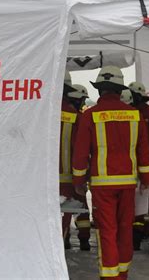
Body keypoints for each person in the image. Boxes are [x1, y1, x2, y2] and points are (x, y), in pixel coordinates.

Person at [72, 66, 149, 279]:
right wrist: (147, 179)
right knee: (125, 228)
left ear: (100, 90)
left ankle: (110, 277)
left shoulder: (90, 115)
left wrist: (78, 180)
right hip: (128, 184)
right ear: (119, 90)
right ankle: (122, 274)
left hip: (102, 185)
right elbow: (144, 150)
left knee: (106, 231)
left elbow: (81, 153)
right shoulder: (135, 115)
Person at [128, 82, 149, 247]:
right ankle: (132, 233)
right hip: (129, 162)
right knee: (131, 199)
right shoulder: (126, 112)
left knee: (144, 199)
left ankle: (142, 233)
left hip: (146, 160)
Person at [60, 72, 90, 251]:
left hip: (41, 176)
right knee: (66, 211)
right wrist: (82, 176)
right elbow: (81, 150)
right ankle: (61, 244)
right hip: (67, 175)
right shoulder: (75, 116)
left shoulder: (42, 111)